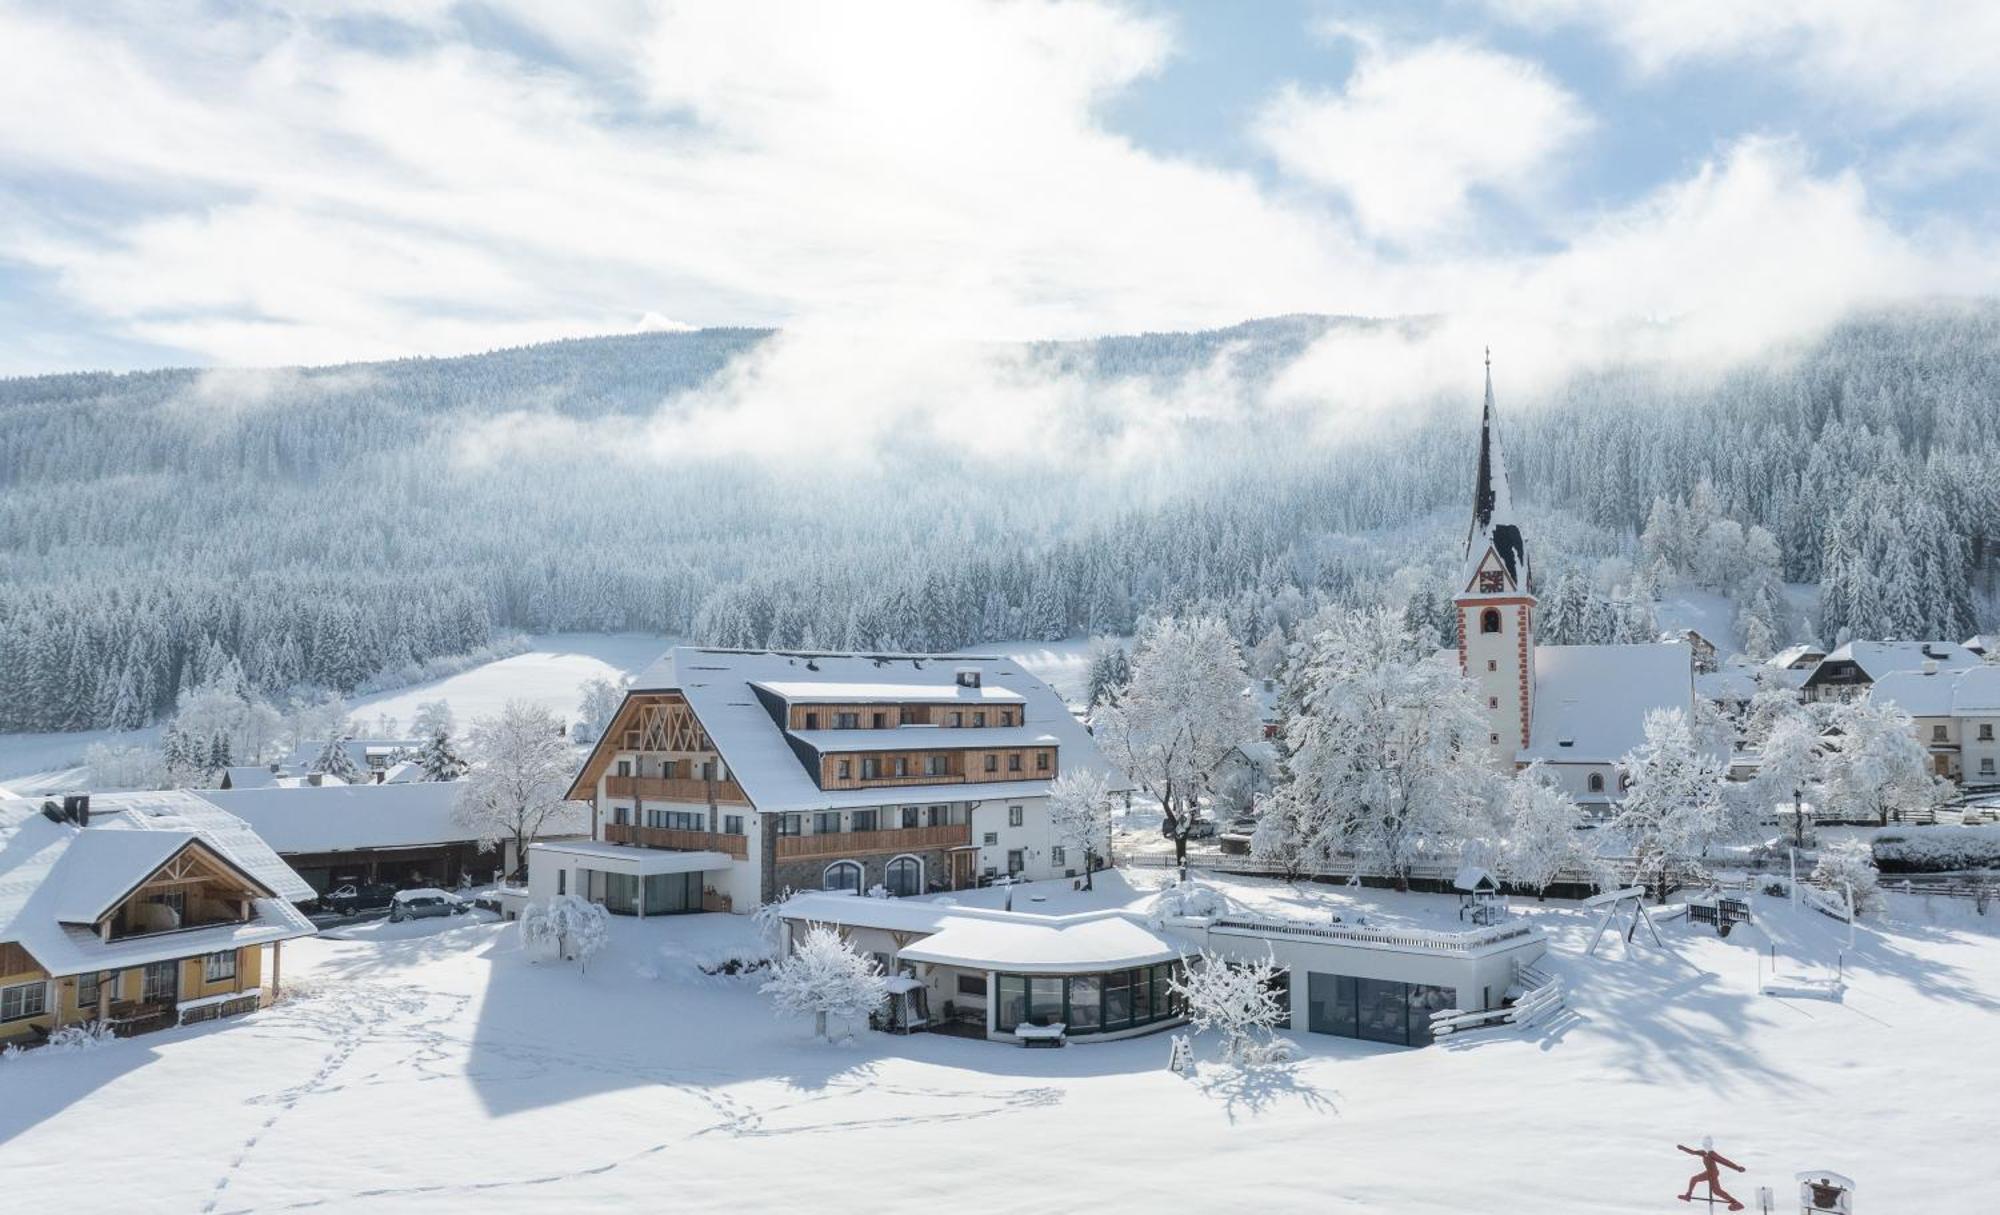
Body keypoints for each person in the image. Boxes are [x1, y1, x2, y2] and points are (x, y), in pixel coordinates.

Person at [1677, 1137, 1746, 1211]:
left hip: (1713, 1173)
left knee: (1714, 1189)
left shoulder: (1711, 1153)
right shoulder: (1703, 1152)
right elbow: (1693, 1152)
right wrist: (1683, 1148)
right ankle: (1688, 1196)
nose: (1705, 1145)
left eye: (1707, 1144)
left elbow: (1724, 1161)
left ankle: (1736, 1203)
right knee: (1712, 1188)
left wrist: (1737, 1168)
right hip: (1709, 1172)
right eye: (1704, 1144)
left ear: (1710, 1144)